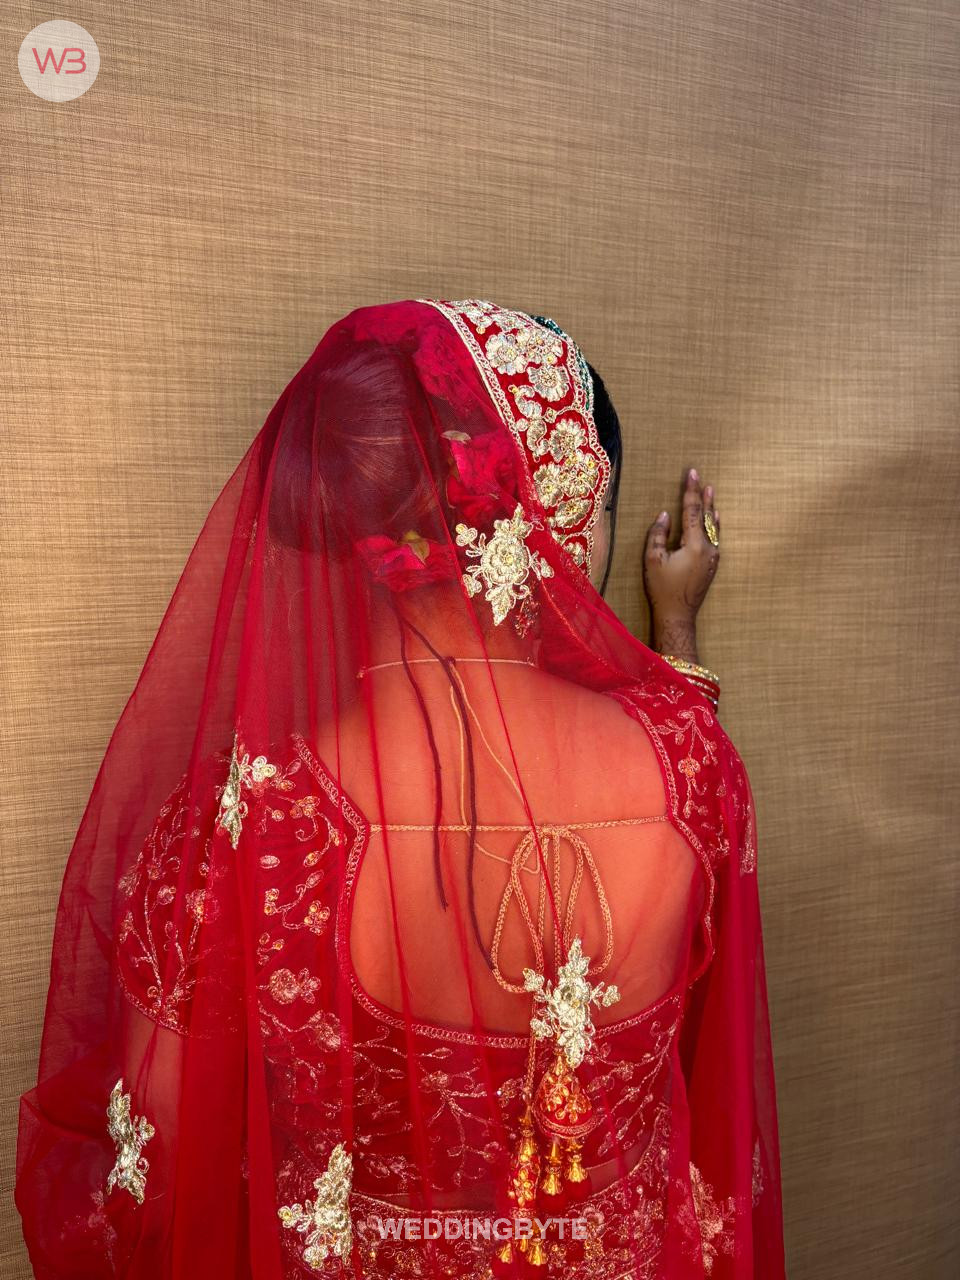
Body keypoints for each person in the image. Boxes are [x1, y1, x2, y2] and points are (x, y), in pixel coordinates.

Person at [15, 298, 785, 1279]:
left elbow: (155, 1177)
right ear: (562, 514)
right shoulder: (694, 768)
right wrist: (675, 637)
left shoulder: (248, 825)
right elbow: (716, 1090)